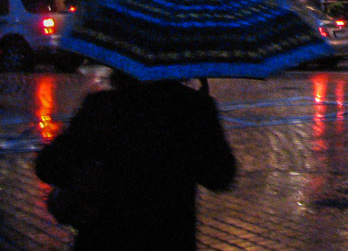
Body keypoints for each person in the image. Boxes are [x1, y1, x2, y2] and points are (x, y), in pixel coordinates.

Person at [35, 70, 236, 250]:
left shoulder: (102, 107)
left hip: (105, 237)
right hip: (169, 238)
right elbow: (220, 176)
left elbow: (48, 166)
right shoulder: (194, 109)